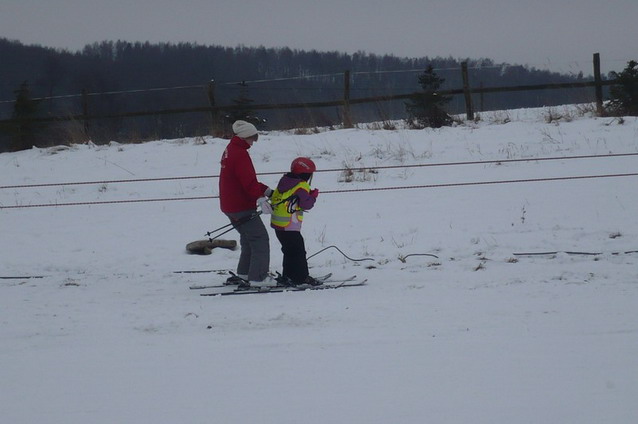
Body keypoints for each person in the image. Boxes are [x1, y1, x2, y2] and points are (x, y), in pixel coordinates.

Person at [219, 120, 274, 288]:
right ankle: (258, 278)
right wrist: (260, 198)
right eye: (252, 138)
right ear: (245, 137)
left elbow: (243, 180)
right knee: (260, 239)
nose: (253, 142)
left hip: (229, 205)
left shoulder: (231, 149)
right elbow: (248, 181)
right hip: (241, 206)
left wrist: (267, 191)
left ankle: (244, 273)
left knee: (248, 239)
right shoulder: (240, 154)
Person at [270, 157, 322, 286]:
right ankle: (301, 277)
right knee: (298, 252)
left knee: (289, 251)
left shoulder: (284, 181)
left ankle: (288, 275)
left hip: (278, 225)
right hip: (290, 225)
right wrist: (313, 197)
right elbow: (307, 204)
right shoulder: (301, 185)